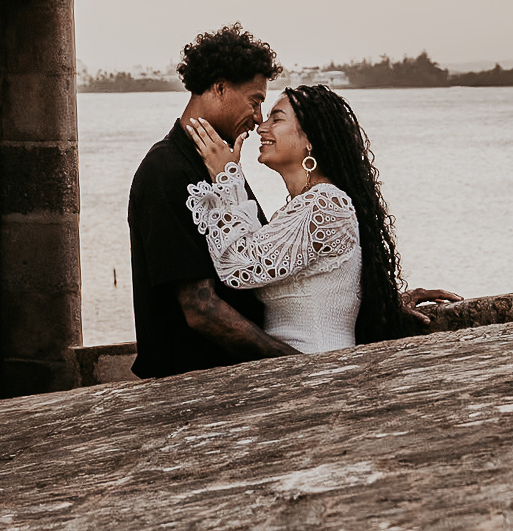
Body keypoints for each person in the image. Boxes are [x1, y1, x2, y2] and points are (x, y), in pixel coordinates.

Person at [184, 85, 460, 353]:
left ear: (310, 139)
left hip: (321, 371)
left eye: (276, 119)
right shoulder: (302, 208)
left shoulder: (326, 204)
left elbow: (237, 265)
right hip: (295, 370)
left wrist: (225, 177)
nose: (261, 127)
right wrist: (391, 301)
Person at [127, 24, 294, 378]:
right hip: (191, 385)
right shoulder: (165, 169)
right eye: (255, 100)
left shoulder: (221, 164)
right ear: (219, 87)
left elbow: (260, 262)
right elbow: (200, 308)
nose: (259, 118)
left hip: (233, 377)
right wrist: (293, 361)